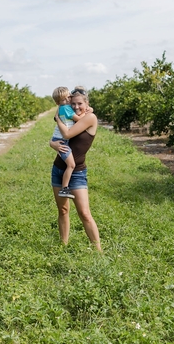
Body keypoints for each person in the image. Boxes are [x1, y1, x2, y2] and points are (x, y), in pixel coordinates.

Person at [49, 86, 101, 252]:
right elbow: (57, 136)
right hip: (59, 169)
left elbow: (67, 134)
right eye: (73, 104)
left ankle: (98, 250)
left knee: (84, 213)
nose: (76, 107)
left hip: (77, 172)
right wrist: (51, 143)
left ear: (86, 104)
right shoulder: (69, 114)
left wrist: (57, 119)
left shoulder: (90, 118)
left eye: (80, 104)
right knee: (63, 210)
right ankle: (63, 246)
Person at [50, 86, 90, 199]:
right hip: (62, 141)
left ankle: (64, 188)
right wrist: (87, 112)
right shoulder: (66, 108)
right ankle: (65, 188)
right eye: (64, 99)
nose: (68, 100)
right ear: (58, 102)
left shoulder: (63, 107)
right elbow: (78, 120)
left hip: (60, 140)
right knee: (71, 164)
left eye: (68, 97)